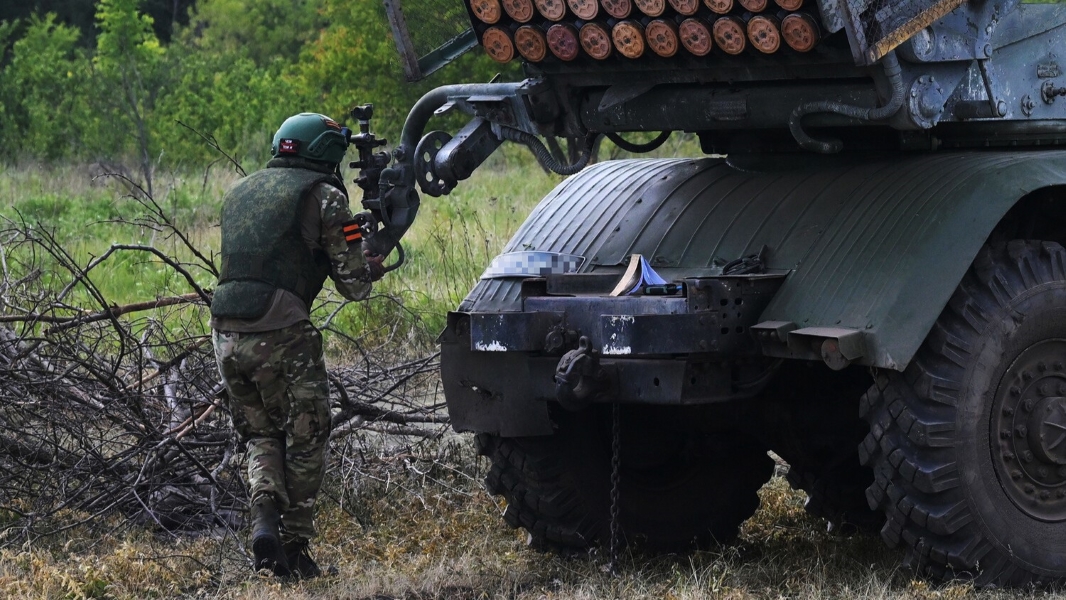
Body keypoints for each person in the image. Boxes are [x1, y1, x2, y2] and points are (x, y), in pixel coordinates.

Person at [210, 113, 385, 579]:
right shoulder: (324, 195)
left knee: (262, 433)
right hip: (281, 331)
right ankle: (295, 550)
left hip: (225, 333)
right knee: (307, 435)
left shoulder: (241, 191)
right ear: (326, 152)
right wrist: (370, 262)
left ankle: (264, 517)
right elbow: (355, 286)